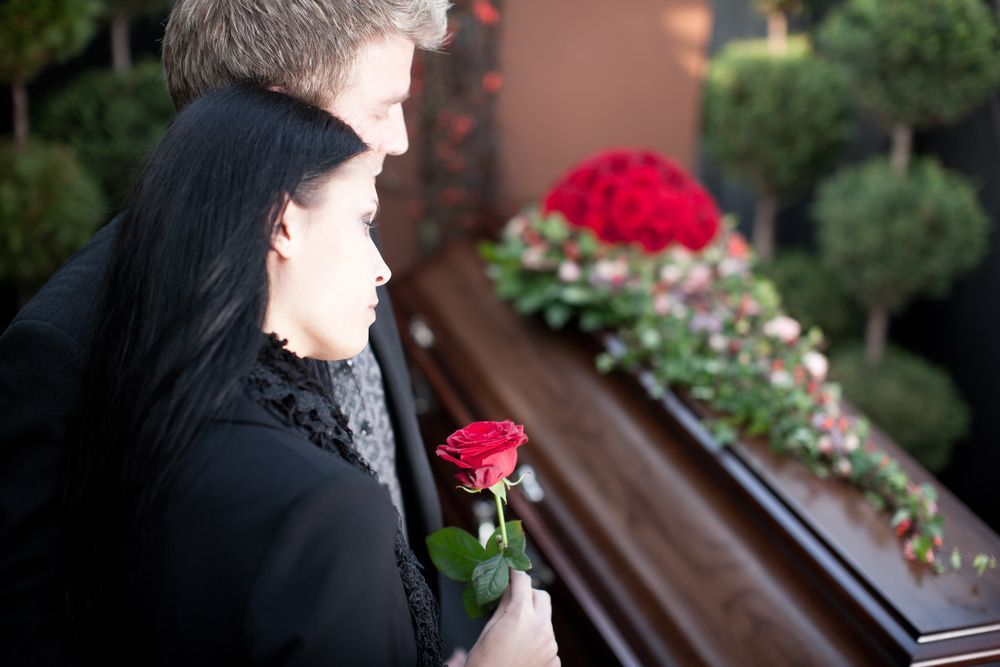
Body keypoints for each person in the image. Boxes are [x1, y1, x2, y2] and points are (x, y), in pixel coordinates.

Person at [0, 0, 555, 664]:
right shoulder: (63, 342)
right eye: (381, 107)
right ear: (279, 113)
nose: (400, 138)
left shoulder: (340, 239)